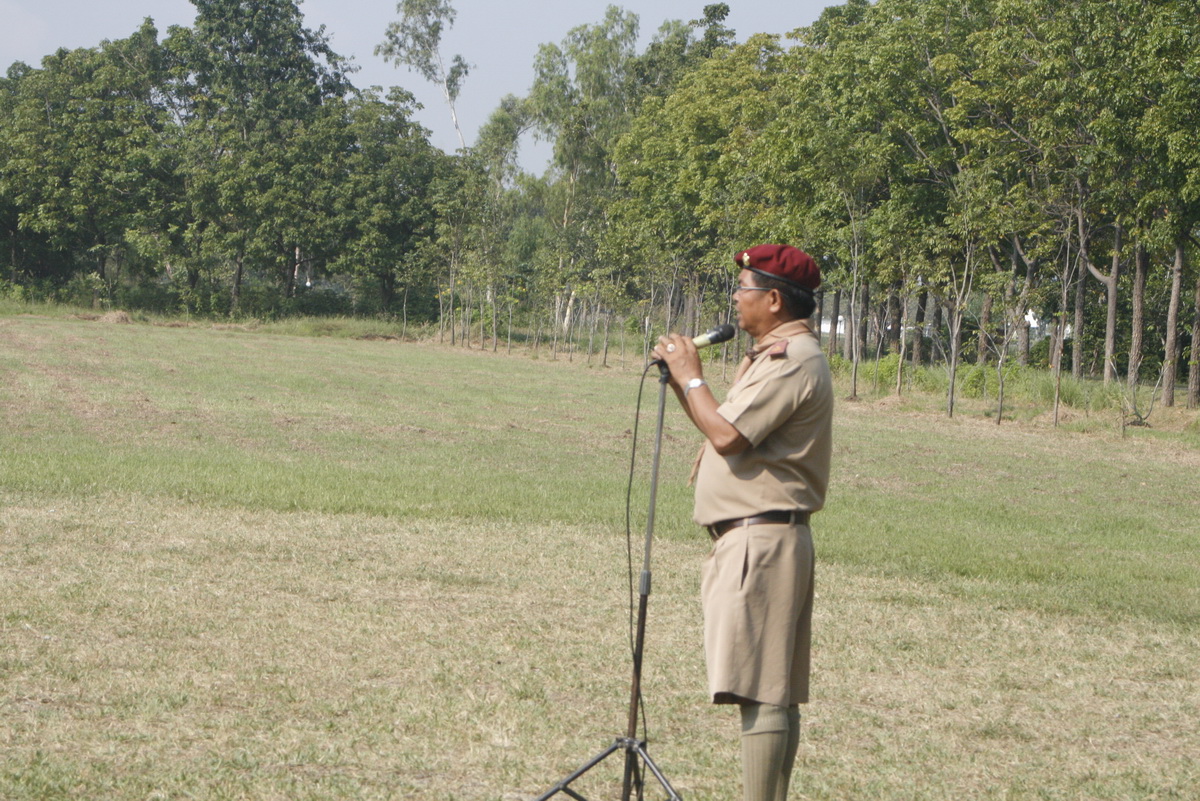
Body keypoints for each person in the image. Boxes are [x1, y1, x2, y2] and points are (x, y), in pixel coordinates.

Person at [650, 243, 833, 801]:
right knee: (771, 688)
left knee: (763, 690)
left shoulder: (792, 360)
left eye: (743, 288)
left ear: (774, 300)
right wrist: (682, 381)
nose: (734, 298)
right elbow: (722, 428)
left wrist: (694, 377)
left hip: (763, 539)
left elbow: (727, 437)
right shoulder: (773, 356)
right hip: (757, 536)